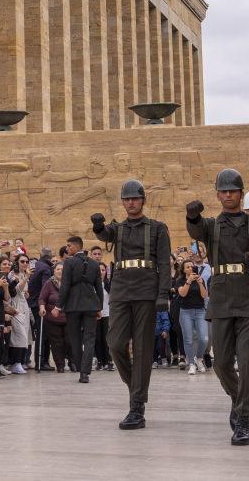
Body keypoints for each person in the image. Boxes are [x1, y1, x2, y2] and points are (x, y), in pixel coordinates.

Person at [186, 168, 249, 446]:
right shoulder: (212, 226)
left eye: (233, 191)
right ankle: (241, 400)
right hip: (223, 297)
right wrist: (192, 215)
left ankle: (242, 419)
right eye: (223, 191)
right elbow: (195, 228)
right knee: (223, 362)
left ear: (241, 194)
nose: (228, 195)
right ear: (218, 194)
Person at [91, 179, 172, 431]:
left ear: (143, 200)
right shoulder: (119, 228)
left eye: (134, 198)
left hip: (147, 289)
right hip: (121, 289)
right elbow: (105, 234)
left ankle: (136, 405)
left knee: (143, 349)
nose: (130, 202)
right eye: (126, 199)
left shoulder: (157, 228)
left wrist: (163, 294)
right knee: (115, 344)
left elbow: (165, 264)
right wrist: (98, 227)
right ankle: (136, 388)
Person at [58, 235, 104, 384]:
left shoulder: (69, 262)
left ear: (77, 246)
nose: (67, 248)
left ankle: (80, 368)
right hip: (91, 305)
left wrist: (58, 306)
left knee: (75, 338)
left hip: (73, 305)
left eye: (69, 246)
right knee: (90, 339)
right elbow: (99, 288)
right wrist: (99, 307)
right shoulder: (94, 264)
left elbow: (64, 286)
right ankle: (85, 372)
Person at [176, 259, 209, 374]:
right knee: (188, 340)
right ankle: (191, 364)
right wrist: (189, 281)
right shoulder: (180, 281)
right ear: (184, 270)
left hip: (200, 311)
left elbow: (204, 295)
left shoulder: (200, 279)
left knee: (204, 338)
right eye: (187, 267)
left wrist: (200, 283)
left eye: (192, 266)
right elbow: (182, 293)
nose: (190, 268)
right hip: (185, 312)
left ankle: (199, 358)